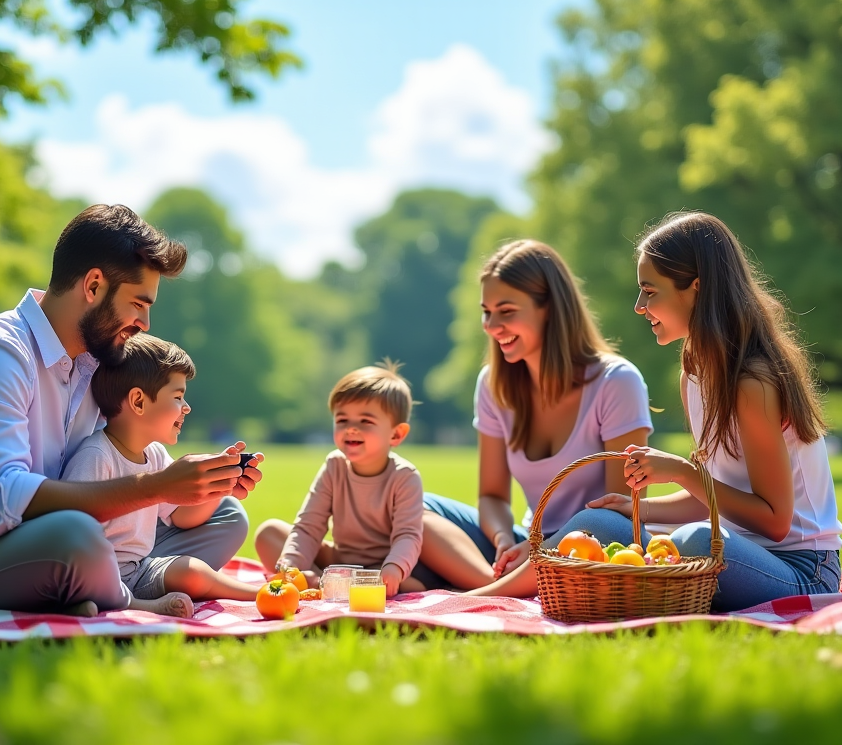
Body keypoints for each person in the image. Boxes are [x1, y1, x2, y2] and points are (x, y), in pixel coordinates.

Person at [0, 204, 263, 615]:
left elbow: (122, 469)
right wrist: (158, 486)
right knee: (75, 534)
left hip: (58, 545)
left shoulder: (98, 364)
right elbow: (0, 502)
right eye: (138, 303)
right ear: (94, 285)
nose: (146, 322)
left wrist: (202, 484)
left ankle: (103, 584)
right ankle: (127, 597)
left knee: (225, 514)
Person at [557, 211, 842, 611]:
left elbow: (775, 522)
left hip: (802, 569)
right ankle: (500, 585)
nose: (639, 306)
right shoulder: (694, 373)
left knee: (692, 541)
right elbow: (712, 495)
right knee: (600, 526)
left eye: (650, 291)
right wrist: (638, 509)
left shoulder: (751, 383)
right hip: (732, 547)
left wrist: (680, 471)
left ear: (696, 288)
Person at [412, 240, 653, 594]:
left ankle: (481, 596)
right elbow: (492, 496)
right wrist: (501, 540)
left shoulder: (617, 382)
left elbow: (623, 508)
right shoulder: (493, 385)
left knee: (600, 520)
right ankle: (499, 583)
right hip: (529, 540)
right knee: (412, 506)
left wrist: (544, 547)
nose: (492, 326)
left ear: (550, 310)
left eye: (506, 311)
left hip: (596, 543)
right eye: (487, 312)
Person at [61, 334, 261, 618]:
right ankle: (134, 605)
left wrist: (221, 485)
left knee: (192, 571)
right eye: (178, 397)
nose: (187, 407)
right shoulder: (96, 456)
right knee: (88, 579)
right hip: (94, 571)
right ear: (138, 402)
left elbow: (180, 516)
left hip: (137, 569)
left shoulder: (153, 454)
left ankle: (259, 593)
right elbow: (73, 535)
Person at [254, 362, 425, 596]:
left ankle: (337, 585)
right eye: (342, 420)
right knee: (269, 533)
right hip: (338, 561)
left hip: (379, 567)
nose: (351, 429)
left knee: (411, 585)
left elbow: (408, 534)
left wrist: (394, 566)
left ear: (396, 434)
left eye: (365, 421)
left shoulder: (404, 476)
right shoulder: (335, 465)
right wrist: (292, 566)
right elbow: (309, 525)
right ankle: (315, 582)